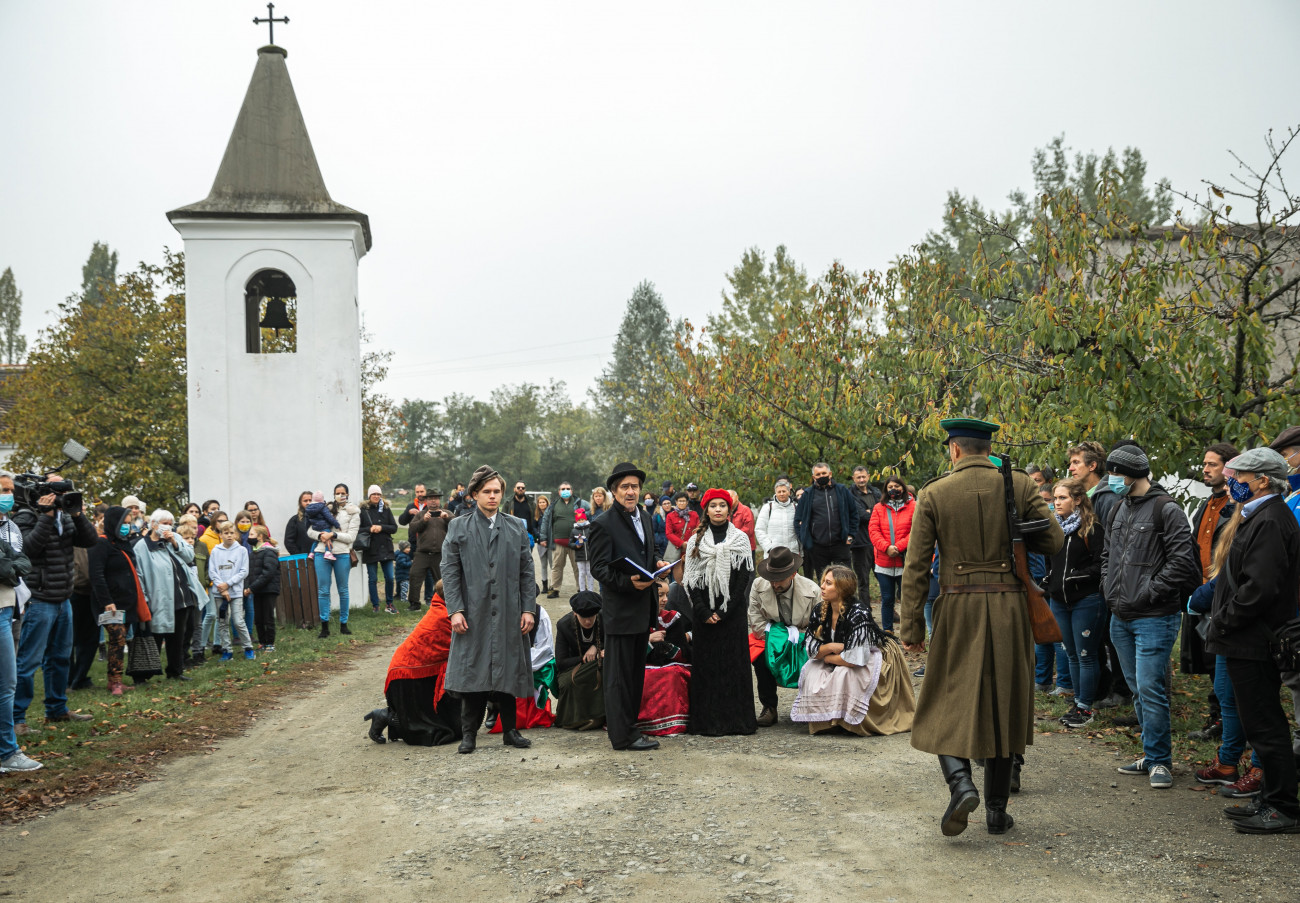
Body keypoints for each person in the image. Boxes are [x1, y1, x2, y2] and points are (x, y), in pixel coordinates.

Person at [900, 418, 1064, 836]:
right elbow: (1055, 541)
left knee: (942, 700)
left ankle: (960, 784)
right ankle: (995, 811)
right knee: (1004, 702)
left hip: (958, 607)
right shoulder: (1022, 484)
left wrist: (912, 628)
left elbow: (916, 566)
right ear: (987, 449)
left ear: (954, 450)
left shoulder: (935, 492)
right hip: (1009, 606)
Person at [1202, 448, 1300, 833]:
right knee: (1258, 723)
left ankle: (1283, 807)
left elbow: (1259, 587)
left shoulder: (1271, 521)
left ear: (1262, 480)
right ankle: (1270, 799)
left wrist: (1223, 621)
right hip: (1244, 637)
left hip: (1254, 639)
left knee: (1266, 725)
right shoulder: (1257, 516)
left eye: (1239, 476)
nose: (1231, 481)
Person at [1102, 440, 1199, 790]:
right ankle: (1150, 751)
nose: (1110, 478)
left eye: (1114, 471)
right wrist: (1108, 588)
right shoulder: (1118, 508)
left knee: (1150, 687)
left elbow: (1182, 562)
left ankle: (1160, 761)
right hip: (1120, 616)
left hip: (1155, 616)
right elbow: (1107, 556)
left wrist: (1148, 592)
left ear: (1130, 473)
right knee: (1137, 690)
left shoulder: (1167, 509)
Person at [442, 465, 537, 754]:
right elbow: (450, 570)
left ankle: (510, 730)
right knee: (474, 671)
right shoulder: (459, 526)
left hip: (509, 610)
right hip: (474, 611)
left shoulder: (515, 527)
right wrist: (455, 609)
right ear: (474, 495)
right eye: (487, 492)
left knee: (507, 669)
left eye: (497, 491)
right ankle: (469, 734)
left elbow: (526, 571)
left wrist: (528, 609)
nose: (493, 497)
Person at [587, 462, 665, 751]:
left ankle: (631, 728)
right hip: (620, 610)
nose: (631, 491)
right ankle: (621, 736)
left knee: (635, 674)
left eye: (635, 486)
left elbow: (651, 549)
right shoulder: (602, 524)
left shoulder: (644, 516)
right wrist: (628, 583)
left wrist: (657, 562)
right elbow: (599, 569)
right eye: (625, 487)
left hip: (643, 609)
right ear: (613, 491)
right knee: (618, 677)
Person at [11, 480, 98, 735]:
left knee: (60, 658)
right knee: (28, 662)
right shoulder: (26, 517)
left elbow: (90, 540)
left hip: (63, 599)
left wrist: (77, 514)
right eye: (53, 493)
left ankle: (57, 710)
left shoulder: (67, 516)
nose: (58, 498)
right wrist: (45, 517)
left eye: (61, 493)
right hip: (39, 599)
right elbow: (27, 550)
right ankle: (17, 720)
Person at [791, 564, 915, 736]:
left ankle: (847, 722)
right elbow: (812, 651)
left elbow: (855, 659)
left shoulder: (859, 612)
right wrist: (831, 647)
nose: (822, 586)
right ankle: (826, 722)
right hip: (838, 655)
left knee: (845, 675)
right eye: (823, 582)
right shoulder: (820, 610)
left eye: (828, 583)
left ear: (842, 589)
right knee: (812, 670)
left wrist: (826, 658)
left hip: (869, 654)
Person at [684, 488, 756, 737]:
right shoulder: (695, 541)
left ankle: (738, 722)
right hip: (704, 615)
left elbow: (744, 576)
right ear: (706, 510)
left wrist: (725, 611)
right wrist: (704, 611)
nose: (718, 509)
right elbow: (690, 579)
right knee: (708, 667)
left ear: (729, 509)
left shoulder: (741, 539)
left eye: (722, 505)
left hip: (732, 614)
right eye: (713, 505)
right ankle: (707, 723)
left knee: (733, 666)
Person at [1184, 443, 1240, 743]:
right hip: (1204, 591)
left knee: (1220, 661)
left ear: (1229, 468)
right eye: (1204, 464)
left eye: (1213, 464)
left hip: (1223, 593)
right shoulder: (1205, 504)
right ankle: (1217, 716)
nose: (1205, 469)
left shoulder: (1235, 509)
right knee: (1208, 660)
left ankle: (1222, 719)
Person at [364, 580, 463, 746]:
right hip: (408, 678)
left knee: (454, 728)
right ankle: (388, 717)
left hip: (418, 675)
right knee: (438, 732)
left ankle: (388, 716)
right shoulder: (444, 616)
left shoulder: (443, 608)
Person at [1066, 440, 1126, 708]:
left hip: (1106, 581)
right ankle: (1102, 690)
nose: (1071, 467)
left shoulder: (1107, 497)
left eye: (1076, 462)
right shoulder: (1085, 496)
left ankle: (1121, 692)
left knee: (1113, 640)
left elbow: (1110, 544)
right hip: (1092, 582)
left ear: (1093, 465)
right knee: (1101, 640)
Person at [1044, 478, 1106, 728]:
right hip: (1059, 600)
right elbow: (1050, 562)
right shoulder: (1054, 529)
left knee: (1086, 654)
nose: (1057, 503)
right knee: (1070, 653)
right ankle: (1078, 701)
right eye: (1056, 498)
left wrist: (1075, 577)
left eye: (1063, 498)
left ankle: (1085, 707)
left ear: (1078, 499)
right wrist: (1050, 580)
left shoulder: (1092, 528)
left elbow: (1101, 564)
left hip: (1086, 600)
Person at [747, 545, 818, 726]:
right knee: (760, 657)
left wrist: (796, 640)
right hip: (768, 638)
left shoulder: (813, 591)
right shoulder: (758, 585)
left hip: (803, 639)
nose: (774, 583)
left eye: (780, 579)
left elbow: (819, 627)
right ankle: (769, 707)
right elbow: (755, 620)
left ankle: (812, 707)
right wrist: (779, 639)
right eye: (772, 578)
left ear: (793, 575)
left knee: (817, 658)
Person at [134, 509, 205, 681]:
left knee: (178, 637)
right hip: (159, 598)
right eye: (164, 523)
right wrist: (145, 599)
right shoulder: (141, 547)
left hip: (181, 596)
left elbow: (189, 557)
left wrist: (174, 541)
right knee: (156, 636)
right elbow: (140, 576)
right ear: (153, 525)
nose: (168, 527)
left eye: (170, 524)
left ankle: (175, 671)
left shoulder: (175, 538)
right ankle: (146, 673)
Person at [86, 507, 140, 699]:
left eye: (128, 523)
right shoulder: (101, 544)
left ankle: (114, 679)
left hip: (126, 600)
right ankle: (115, 680)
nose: (126, 526)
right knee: (117, 638)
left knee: (121, 640)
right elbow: (97, 574)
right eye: (123, 523)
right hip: (109, 602)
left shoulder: (124, 543)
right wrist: (106, 600)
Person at [0, 476, 35, 770]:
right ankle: (7, 752)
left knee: (6, 683)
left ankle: (6, 751)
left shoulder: (10, 527)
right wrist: (10, 567)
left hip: (11, 606)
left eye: (10, 490)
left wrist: (10, 568)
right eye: (3, 490)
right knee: (6, 684)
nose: (8, 495)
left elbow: (22, 562)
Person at [637, 578, 692, 736]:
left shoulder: (673, 618)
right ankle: (645, 722)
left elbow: (682, 650)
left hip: (672, 663)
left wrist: (666, 648)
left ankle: (673, 722)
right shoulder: (637, 618)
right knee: (645, 675)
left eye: (666, 594)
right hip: (644, 663)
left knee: (672, 673)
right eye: (660, 595)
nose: (665, 599)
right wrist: (648, 640)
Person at [307, 484, 360, 638]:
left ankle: (344, 624)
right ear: (333, 494)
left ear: (348, 494)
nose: (340, 495)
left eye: (343, 493)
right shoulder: (324, 507)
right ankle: (325, 626)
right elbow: (310, 530)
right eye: (337, 493)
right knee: (323, 590)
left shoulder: (354, 512)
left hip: (342, 553)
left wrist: (334, 535)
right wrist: (320, 536)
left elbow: (351, 537)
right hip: (321, 553)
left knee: (343, 589)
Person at [794, 462, 860, 578]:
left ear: (830, 474)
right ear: (814, 477)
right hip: (818, 547)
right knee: (824, 581)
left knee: (845, 580)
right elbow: (798, 520)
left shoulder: (842, 491)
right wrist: (806, 541)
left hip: (841, 544)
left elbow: (854, 514)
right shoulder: (808, 494)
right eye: (818, 474)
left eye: (824, 473)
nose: (821, 476)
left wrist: (850, 536)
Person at [868, 475, 914, 634]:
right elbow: (873, 531)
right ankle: (888, 632)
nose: (894, 489)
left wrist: (899, 547)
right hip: (884, 561)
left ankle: (909, 632)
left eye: (897, 486)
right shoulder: (879, 508)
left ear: (903, 487)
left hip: (905, 560)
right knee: (887, 599)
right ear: (886, 490)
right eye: (890, 487)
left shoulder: (913, 506)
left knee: (907, 599)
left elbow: (916, 530)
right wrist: (886, 547)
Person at [553, 591, 606, 730]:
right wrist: (584, 658)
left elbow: (615, 641)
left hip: (599, 663)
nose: (588, 621)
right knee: (567, 683)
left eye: (591, 617)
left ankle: (602, 715)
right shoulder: (564, 625)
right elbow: (561, 662)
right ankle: (575, 719)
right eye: (583, 617)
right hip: (573, 667)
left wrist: (596, 647)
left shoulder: (604, 619)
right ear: (575, 613)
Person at [209, 522, 255, 661]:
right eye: (226, 533)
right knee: (222, 621)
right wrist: (221, 588)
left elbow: (244, 571)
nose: (229, 535)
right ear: (221, 534)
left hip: (235, 592)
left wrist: (228, 584)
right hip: (219, 593)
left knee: (238, 620)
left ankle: (248, 648)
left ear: (236, 534)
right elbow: (212, 571)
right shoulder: (216, 551)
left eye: (231, 533)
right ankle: (227, 650)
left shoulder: (241, 550)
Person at [540, 481, 587, 599]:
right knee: (556, 566)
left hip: (576, 541)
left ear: (572, 491)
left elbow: (592, 512)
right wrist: (543, 537)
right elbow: (545, 521)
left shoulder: (580, 503)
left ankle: (581, 588)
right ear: (559, 492)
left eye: (567, 488)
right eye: (562, 489)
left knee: (578, 566)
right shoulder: (553, 505)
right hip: (558, 542)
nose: (565, 491)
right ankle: (554, 589)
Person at [407, 489, 450, 611]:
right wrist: (423, 520)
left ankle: (444, 604)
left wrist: (446, 518)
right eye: (430, 499)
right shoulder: (421, 514)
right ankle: (414, 604)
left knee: (443, 580)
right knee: (414, 576)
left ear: (439, 500)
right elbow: (412, 528)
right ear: (426, 501)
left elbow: (457, 526)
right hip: (422, 553)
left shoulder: (446, 513)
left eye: (435, 498)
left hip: (440, 554)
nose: (433, 501)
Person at [359, 485, 399, 613]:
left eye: (378, 494)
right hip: (370, 548)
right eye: (374, 494)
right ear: (369, 496)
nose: (376, 496)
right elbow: (358, 529)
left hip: (385, 547)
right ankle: (375, 605)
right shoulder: (363, 510)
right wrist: (369, 529)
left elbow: (394, 527)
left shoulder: (386, 509)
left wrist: (381, 527)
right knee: (373, 578)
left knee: (389, 577)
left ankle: (389, 603)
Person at [849, 466, 881, 605]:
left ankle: (889, 611)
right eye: (858, 477)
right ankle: (866, 611)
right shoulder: (850, 494)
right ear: (853, 478)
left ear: (868, 476)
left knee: (882, 578)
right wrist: (875, 512)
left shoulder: (876, 492)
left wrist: (870, 511)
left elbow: (884, 510)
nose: (861, 480)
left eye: (863, 477)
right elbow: (861, 515)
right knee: (863, 580)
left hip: (878, 541)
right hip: (861, 543)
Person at [247, 525, 281, 650]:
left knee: (268, 616)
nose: (249, 537)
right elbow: (250, 573)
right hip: (257, 590)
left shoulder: (269, 551)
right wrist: (250, 587)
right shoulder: (254, 553)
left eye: (251, 534)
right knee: (259, 618)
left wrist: (252, 587)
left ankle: (270, 643)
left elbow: (268, 573)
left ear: (260, 537)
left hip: (269, 589)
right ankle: (262, 642)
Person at [754, 479, 800, 558]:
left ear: (789, 492)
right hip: (773, 555)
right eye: (779, 492)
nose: (781, 494)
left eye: (784, 491)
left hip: (792, 553)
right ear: (775, 492)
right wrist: (769, 548)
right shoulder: (768, 508)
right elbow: (759, 530)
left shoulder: (795, 507)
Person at [664, 492, 699, 584]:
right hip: (677, 550)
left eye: (684, 501)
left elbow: (698, 530)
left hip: (691, 549)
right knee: (677, 577)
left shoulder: (694, 515)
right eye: (680, 501)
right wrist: (681, 543)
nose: (682, 503)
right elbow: (669, 533)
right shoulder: (670, 516)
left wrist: (691, 543)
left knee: (692, 575)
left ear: (687, 502)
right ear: (676, 502)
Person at [304, 492, 341, 562]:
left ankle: (311, 553)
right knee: (329, 537)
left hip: (315, 527)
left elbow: (307, 521)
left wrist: (307, 528)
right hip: (324, 526)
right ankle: (328, 552)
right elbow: (329, 517)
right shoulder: (323, 507)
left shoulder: (308, 509)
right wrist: (337, 525)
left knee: (316, 541)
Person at [728, 490, 757, 560]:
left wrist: (731, 535)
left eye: (731, 497)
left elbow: (748, 530)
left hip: (746, 548)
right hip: (730, 548)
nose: (729, 499)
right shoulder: (725, 511)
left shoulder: (745, 510)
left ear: (737, 497)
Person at [283, 490, 313, 556]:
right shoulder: (295, 520)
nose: (308, 503)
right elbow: (288, 542)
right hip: (303, 560)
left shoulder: (321, 519)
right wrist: (300, 556)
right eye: (305, 501)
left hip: (319, 557)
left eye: (310, 500)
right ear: (300, 503)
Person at [533, 494, 552, 594]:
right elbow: (534, 528)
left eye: (543, 502)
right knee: (543, 565)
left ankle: (552, 586)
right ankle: (544, 585)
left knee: (552, 565)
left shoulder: (550, 514)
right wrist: (540, 537)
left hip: (550, 543)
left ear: (547, 503)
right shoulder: (536, 515)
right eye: (540, 502)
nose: (542, 504)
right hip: (540, 543)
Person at [572, 507, 594, 592]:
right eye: (579, 520)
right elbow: (570, 543)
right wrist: (576, 545)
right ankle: (582, 590)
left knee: (589, 573)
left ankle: (591, 590)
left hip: (589, 555)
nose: (581, 521)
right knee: (581, 573)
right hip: (579, 555)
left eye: (582, 519)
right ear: (576, 521)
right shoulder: (574, 531)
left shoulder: (590, 529)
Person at [394, 541, 412, 611]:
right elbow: (403, 564)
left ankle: (399, 596)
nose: (409, 549)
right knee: (405, 588)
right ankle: (403, 599)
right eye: (407, 548)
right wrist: (411, 563)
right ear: (402, 549)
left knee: (400, 587)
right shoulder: (402, 556)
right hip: (403, 575)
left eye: (409, 547)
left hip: (401, 575)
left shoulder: (402, 555)